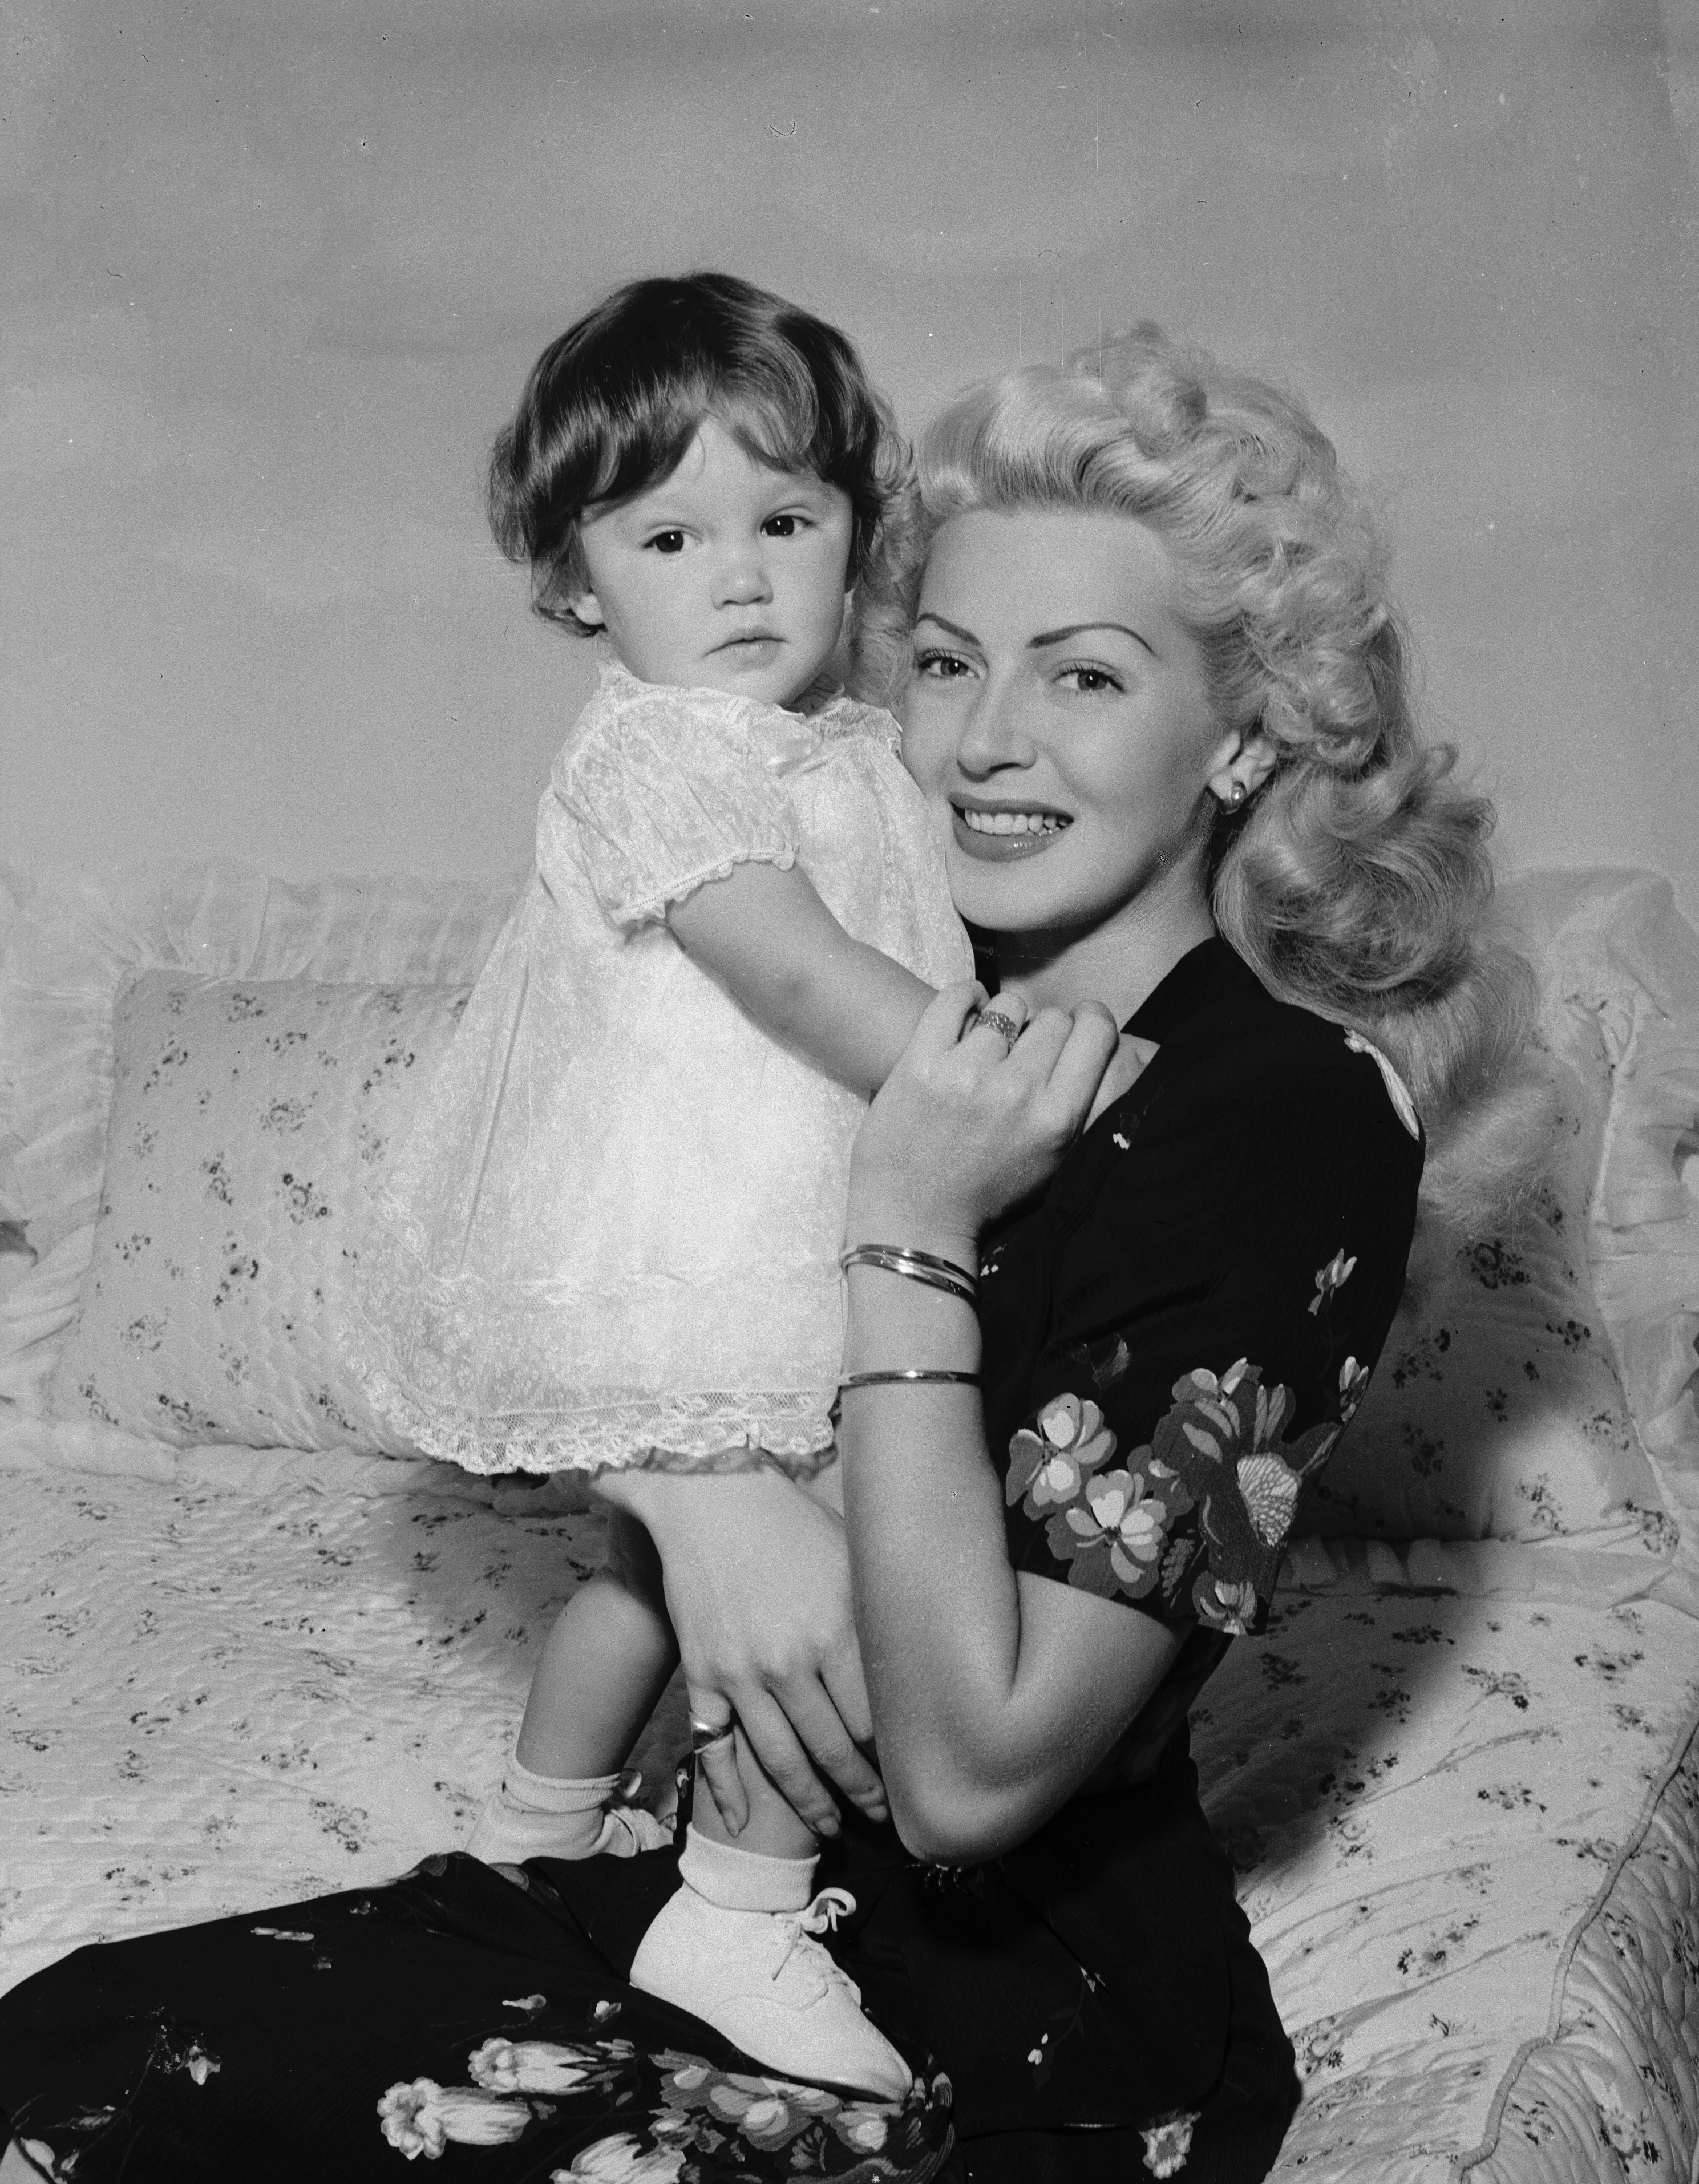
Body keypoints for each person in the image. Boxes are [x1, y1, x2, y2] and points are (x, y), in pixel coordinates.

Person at [0, 325, 1530, 2184]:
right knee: (62, 2047)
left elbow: (974, 1775)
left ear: (1242, 731)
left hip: (978, 2020)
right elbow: (578, 1264)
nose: (983, 740)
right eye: (950, 663)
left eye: (1085, 676)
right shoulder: (875, 977)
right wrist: (703, 1504)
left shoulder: (1283, 1113)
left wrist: (908, 1220)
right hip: (690, 1893)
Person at [340, 271, 974, 2097]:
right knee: (828, 1547)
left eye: (788, 520)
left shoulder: (837, 744)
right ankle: (740, 1901)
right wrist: (997, 1081)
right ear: (574, 577)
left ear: (857, 533)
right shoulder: (655, 749)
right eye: (672, 532)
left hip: (771, 1202)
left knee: (639, 1562)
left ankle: (541, 1838)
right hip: (698, 1225)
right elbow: (789, 970)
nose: (744, 575)